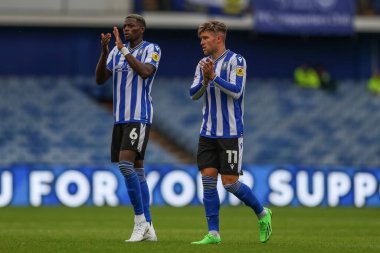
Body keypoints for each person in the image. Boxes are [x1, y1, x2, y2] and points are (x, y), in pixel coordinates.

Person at [189, 20, 272, 245]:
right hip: (207, 132)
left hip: (231, 133)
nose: (202, 43)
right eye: (201, 39)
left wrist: (214, 77)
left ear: (218, 38)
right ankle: (213, 233)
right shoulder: (202, 64)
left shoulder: (237, 60)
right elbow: (193, 94)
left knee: (230, 183)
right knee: (207, 180)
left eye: (205, 38)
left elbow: (237, 91)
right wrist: (205, 80)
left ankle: (263, 214)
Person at [95, 14, 160, 242]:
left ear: (141, 28)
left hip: (139, 116)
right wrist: (105, 51)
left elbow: (145, 72)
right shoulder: (116, 51)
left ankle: (140, 221)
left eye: (131, 26)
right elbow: (100, 79)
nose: (126, 29)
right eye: (124, 26)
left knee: (125, 165)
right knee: (138, 170)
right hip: (120, 118)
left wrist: (123, 50)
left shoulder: (151, 48)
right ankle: (149, 228)